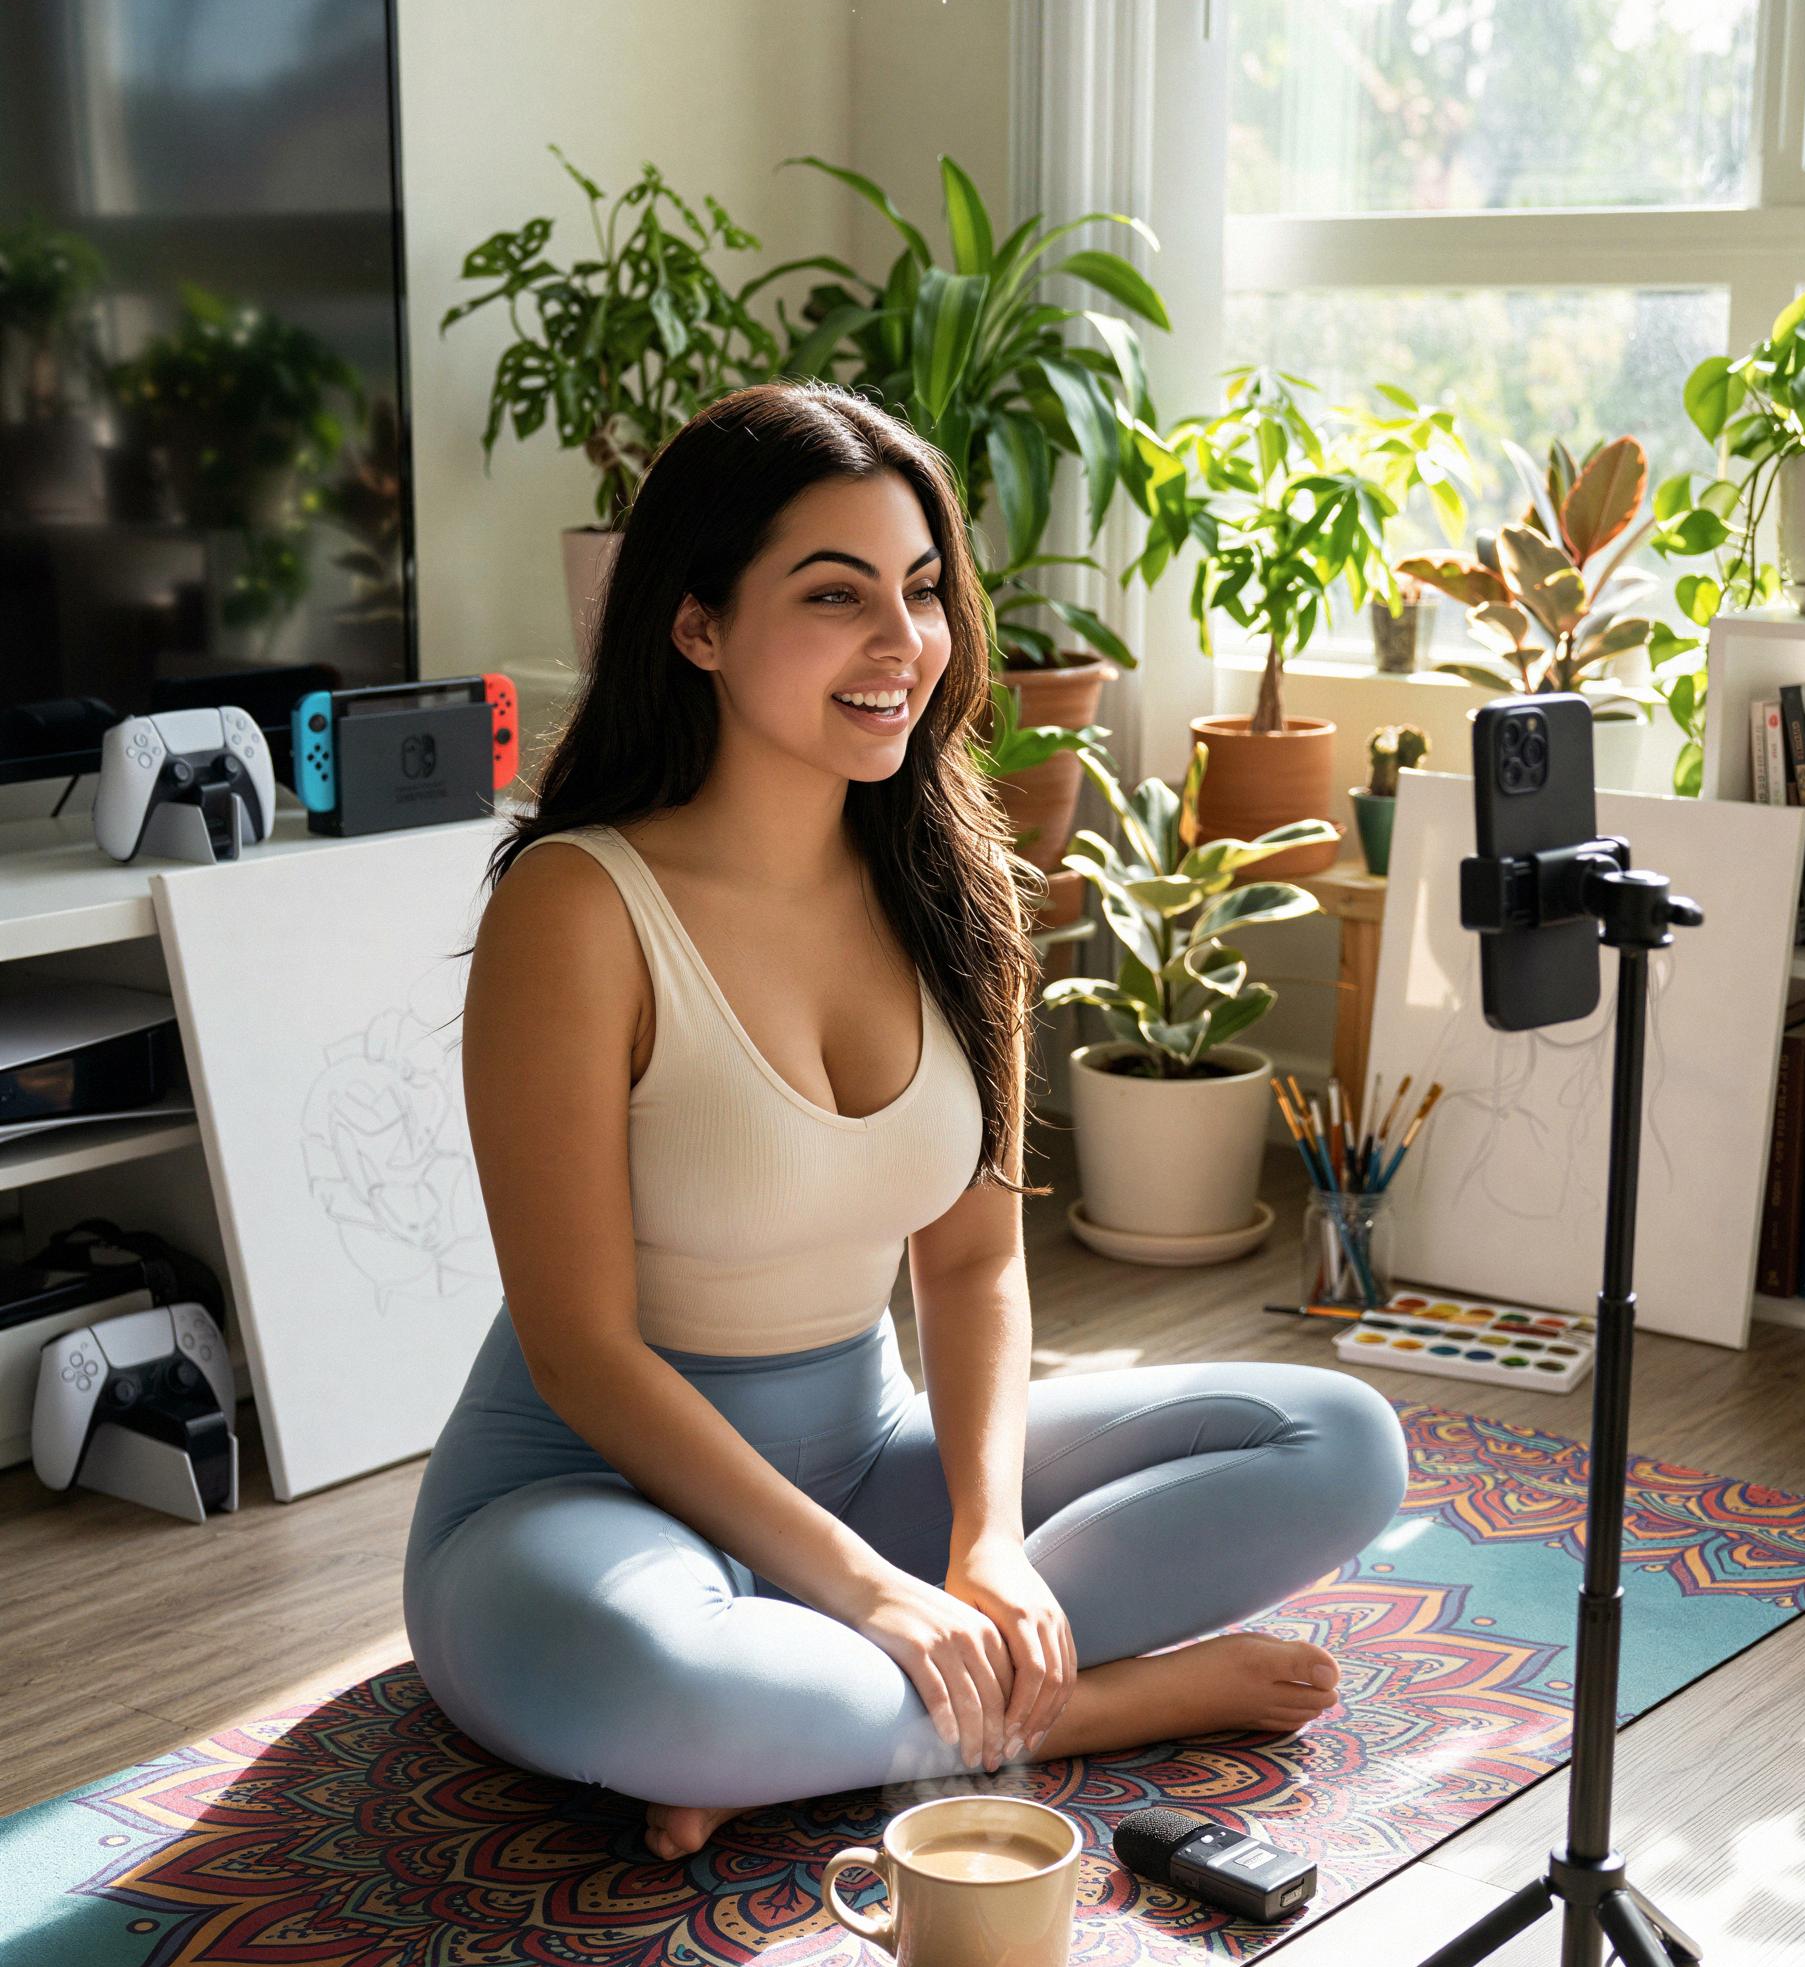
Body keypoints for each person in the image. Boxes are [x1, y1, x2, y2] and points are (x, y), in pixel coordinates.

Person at [402, 381, 1408, 1869]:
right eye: (835, 594)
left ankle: (810, 1731)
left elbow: (975, 1270)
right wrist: (873, 1591)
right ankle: (1071, 1712)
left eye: (923, 591)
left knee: (1339, 1438)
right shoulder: (577, 907)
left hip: (866, 1451)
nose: (902, 644)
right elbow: (580, 1350)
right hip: (584, 1496)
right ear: (697, 625)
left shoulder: (960, 892)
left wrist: (984, 1538)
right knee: (674, 1679)